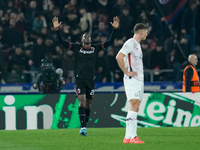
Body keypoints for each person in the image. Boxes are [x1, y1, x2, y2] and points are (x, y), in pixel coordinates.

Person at [52, 16, 119, 136]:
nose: (87, 44)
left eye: (88, 42)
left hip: (91, 80)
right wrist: (57, 30)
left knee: (88, 104)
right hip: (80, 80)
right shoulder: (77, 48)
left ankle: (84, 126)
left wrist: (115, 30)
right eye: (85, 42)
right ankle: (83, 127)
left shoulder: (96, 48)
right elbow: (62, 43)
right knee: (82, 102)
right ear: (82, 42)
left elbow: (109, 42)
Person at [116, 23, 148, 144]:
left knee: (136, 106)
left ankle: (128, 137)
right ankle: (134, 136)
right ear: (141, 32)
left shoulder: (138, 45)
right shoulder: (130, 43)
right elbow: (119, 57)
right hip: (132, 79)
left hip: (139, 79)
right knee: (134, 104)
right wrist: (126, 72)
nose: (146, 34)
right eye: (146, 31)